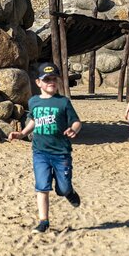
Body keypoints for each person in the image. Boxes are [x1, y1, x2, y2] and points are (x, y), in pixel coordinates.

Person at [8, 62, 82, 234]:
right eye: (46, 79)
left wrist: (74, 129)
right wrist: (22, 133)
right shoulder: (33, 101)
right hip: (40, 152)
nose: (51, 82)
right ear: (38, 83)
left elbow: (77, 121)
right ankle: (44, 221)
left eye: (54, 79)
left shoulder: (63, 102)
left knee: (62, 188)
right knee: (42, 186)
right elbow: (34, 120)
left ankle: (68, 191)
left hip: (61, 153)